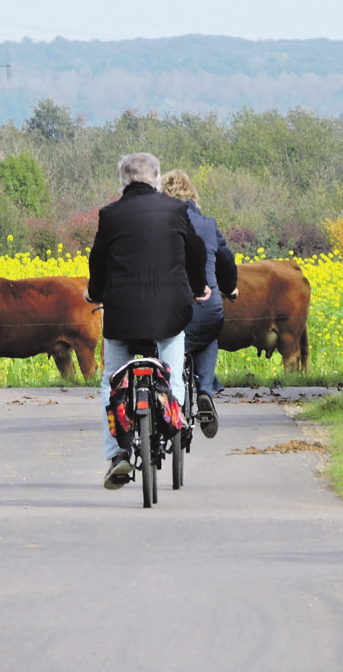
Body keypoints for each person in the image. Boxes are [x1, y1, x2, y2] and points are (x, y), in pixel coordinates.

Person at [85, 152, 210, 490]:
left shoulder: (110, 215)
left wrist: (94, 294)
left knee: (111, 382)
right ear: (156, 180)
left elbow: (98, 263)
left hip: (122, 316)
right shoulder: (176, 210)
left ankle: (117, 456)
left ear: (123, 182)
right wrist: (199, 287)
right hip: (170, 314)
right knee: (173, 375)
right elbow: (196, 252)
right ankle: (177, 419)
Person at [159, 170, 238, 438]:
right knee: (208, 336)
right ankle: (205, 389)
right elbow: (226, 262)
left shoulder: (157, 224)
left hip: (168, 308)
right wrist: (230, 288)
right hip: (207, 306)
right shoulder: (207, 224)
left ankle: (170, 399)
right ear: (192, 194)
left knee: (170, 341)